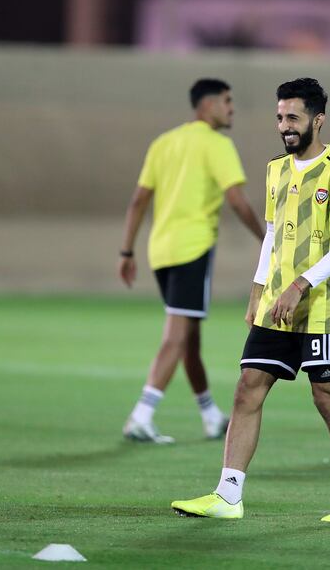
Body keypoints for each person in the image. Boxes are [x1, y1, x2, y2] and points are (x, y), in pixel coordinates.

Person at [171, 78, 330, 523]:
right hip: (276, 305)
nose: (285, 126)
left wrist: (300, 284)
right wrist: (258, 289)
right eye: (280, 117)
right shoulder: (275, 169)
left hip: (320, 306)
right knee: (248, 389)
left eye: (294, 118)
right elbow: (271, 235)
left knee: (327, 399)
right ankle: (228, 496)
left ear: (317, 120)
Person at [118, 78, 264, 444]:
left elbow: (139, 199)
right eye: (227, 101)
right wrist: (268, 239)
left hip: (161, 251)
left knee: (190, 338)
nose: (232, 108)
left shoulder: (164, 142)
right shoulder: (217, 144)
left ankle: (211, 415)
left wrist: (127, 250)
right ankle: (142, 415)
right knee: (177, 336)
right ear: (207, 105)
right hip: (192, 249)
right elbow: (236, 199)